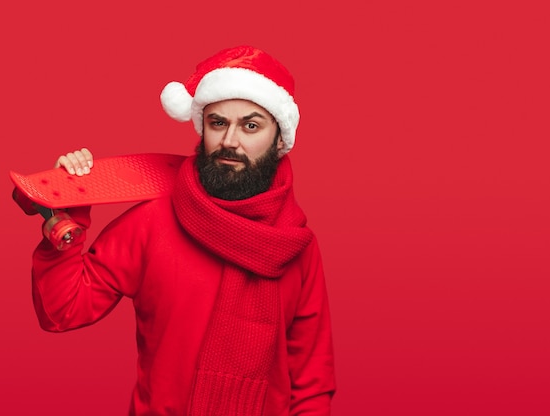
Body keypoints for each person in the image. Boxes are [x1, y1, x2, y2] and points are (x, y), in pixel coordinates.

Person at [30, 45, 336, 415]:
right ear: (202, 126)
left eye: (251, 125)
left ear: (279, 139)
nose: (229, 141)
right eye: (218, 122)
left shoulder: (297, 244)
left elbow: (311, 379)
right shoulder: (153, 221)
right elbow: (63, 311)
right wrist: (69, 212)